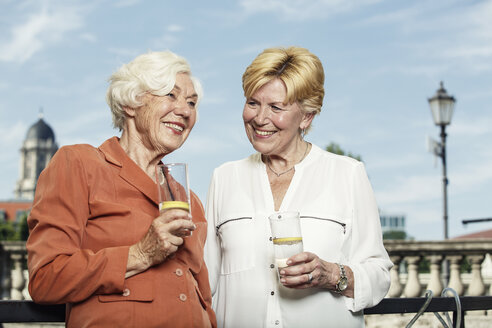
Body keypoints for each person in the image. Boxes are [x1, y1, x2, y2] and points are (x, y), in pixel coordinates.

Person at [204, 46, 393, 328]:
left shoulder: (348, 173)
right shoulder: (224, 177)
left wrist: (331, 274)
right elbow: (203, 282)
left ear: (307, 116)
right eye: (253, 103)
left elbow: (379, 276)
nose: (259, 118)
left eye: (276, 107)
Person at [27, 51, 217, 328]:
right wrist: (140, 253)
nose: (186, 111)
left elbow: (203, 300)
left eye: (192, 103)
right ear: (131, 103)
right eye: (170, 95)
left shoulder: (191, 200)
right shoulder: (79, 164)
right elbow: (46, 278)